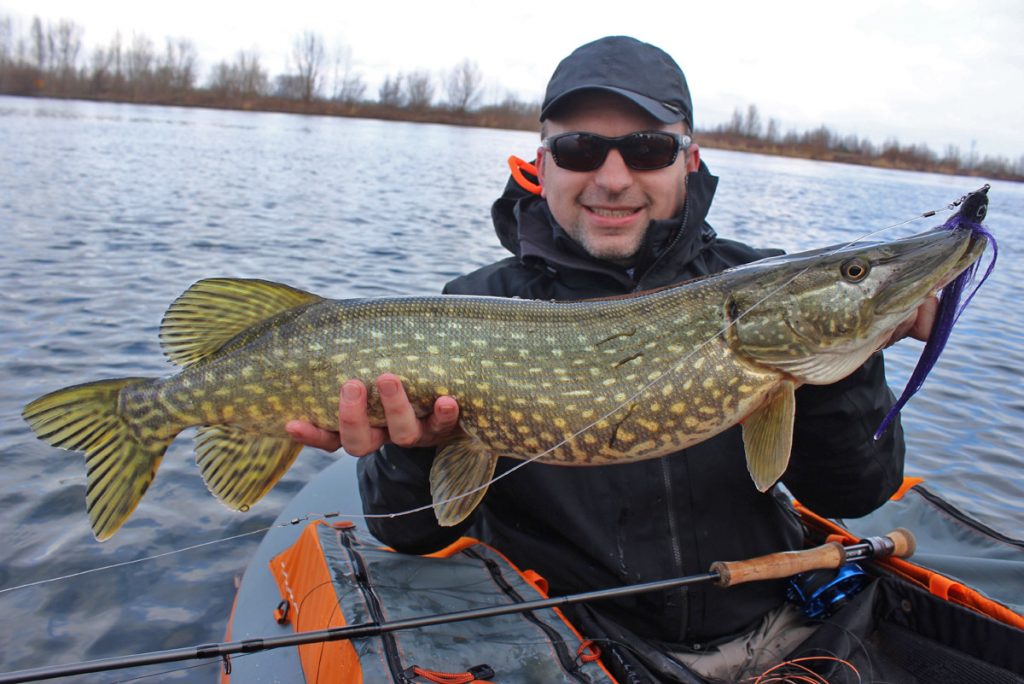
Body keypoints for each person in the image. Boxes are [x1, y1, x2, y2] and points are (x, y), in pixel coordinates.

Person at [287, 35, 935, 682]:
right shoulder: (474, 306)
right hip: (565, 647)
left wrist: (846, 355)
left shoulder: (756, 281)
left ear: (690, 161)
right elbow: (402, 532)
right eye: (580, 149)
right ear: (543, 163)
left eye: (648, 149)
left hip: (774, 629)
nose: (614, 178)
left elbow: (859, 493)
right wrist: (417, 448)